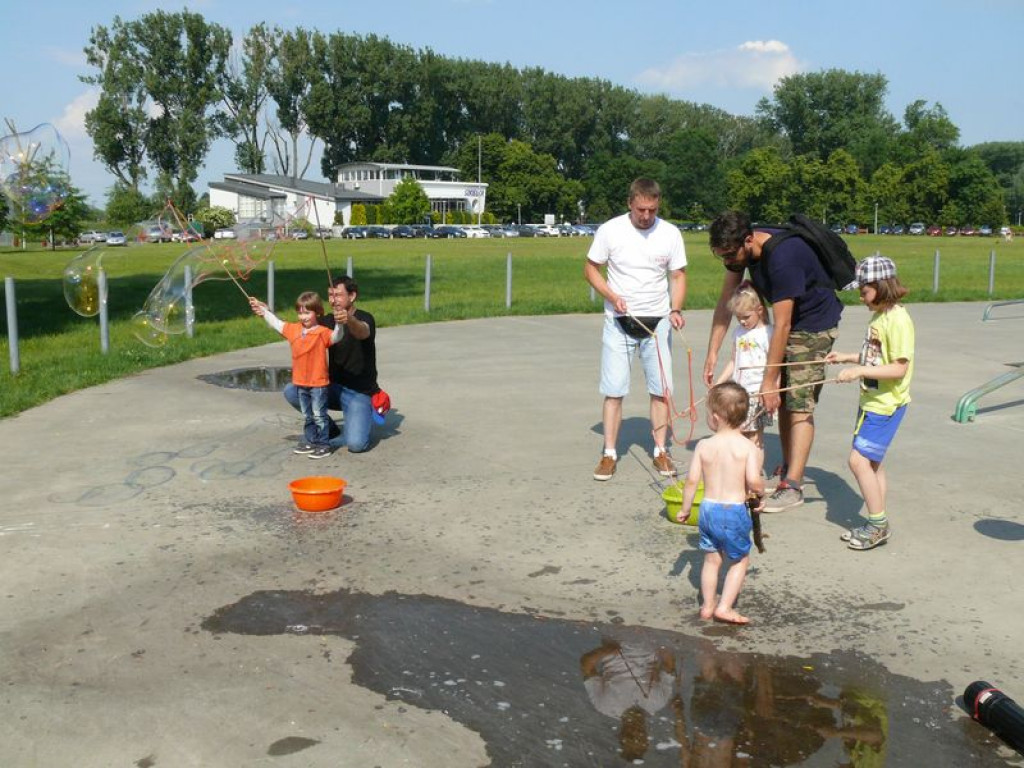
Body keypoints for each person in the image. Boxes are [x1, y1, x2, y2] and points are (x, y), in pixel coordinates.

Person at [705, 210, 844, 513]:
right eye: (722, 257)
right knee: (778, 400)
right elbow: (724, 303)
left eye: (730, 255)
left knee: (798, 401)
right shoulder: (740, 252)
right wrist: (713, 352)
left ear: (748, 239)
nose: (729, 262)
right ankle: (786, 469)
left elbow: (782, 324)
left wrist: (769, 381)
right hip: (789, 323)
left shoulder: (783, 256)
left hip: (813, 324)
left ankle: (793, 485)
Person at [584, 178, 687, 481]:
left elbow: (678, 275)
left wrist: (676, 308)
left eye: (652, 210)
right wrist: (612, 296)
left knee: (661, 391)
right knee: (614, 391)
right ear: (630, 203)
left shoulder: (670, 233)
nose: (646, 216)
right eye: (641, 209)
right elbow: (590, 268)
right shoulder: (610, 230)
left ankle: (660, 451)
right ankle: (609, 453)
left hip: (658, 324)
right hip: (619, 322)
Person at [825, 255, 914, 551]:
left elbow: (899, 368)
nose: (862, 298)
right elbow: (877, 356)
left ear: (880, 286)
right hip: (872, 401)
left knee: (857, 461)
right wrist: (849, 358)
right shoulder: (880, 316)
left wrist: (859, 371)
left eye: (864, 291)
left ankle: (877, 525)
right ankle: (877, 519)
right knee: (872, 463)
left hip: (885, 405)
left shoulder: (898, 320)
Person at [679, 382, 765, 625]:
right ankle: (724, 607)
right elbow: (754, 481)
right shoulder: (749, 448)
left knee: (711, 559)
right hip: (733, 510)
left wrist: (686, 509)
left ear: (715, 418)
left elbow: (691, 481)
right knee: (739, 560)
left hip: (707, 509)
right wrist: (762, 496)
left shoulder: (704, 446)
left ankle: (707, 605)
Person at [282, 275, 380, 453]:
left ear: (352, 296)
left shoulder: (365, 318)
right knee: (291, 391)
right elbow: (302, 322)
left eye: (338, 295)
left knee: (356, 445)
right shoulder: (326, 321)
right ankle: (328, 428)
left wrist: (347, 319)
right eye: (330, 295)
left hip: (359, 393)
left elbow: (362, 332)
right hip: (331, 388)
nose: (333, 300)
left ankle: (363, 416)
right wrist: (265, 312)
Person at [251, 292, 343, 460]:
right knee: (307, 415)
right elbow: (277, 323)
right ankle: (310, 440)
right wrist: (264, 311)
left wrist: (340, 324)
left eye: (307, 312)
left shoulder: (323, 332)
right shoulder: (294, 330)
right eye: (300, 312)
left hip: (318, 384)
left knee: (319, 415)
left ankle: (324, 444)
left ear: (318, 312)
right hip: (300, 382)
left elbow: (337, 337)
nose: (303, 316)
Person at [714, 280, 774, 460]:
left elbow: (774, 365)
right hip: (741, 393)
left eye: (746, 317)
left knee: (754, 438)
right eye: (738, 317)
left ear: (759, 311)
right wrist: (719, 382)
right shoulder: (738, 332)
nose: (742, 321)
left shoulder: (767, 333)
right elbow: (734, 360)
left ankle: (753, 475)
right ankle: (741, 472)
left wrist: (771, 388)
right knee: (738, 434)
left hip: (758, 393)